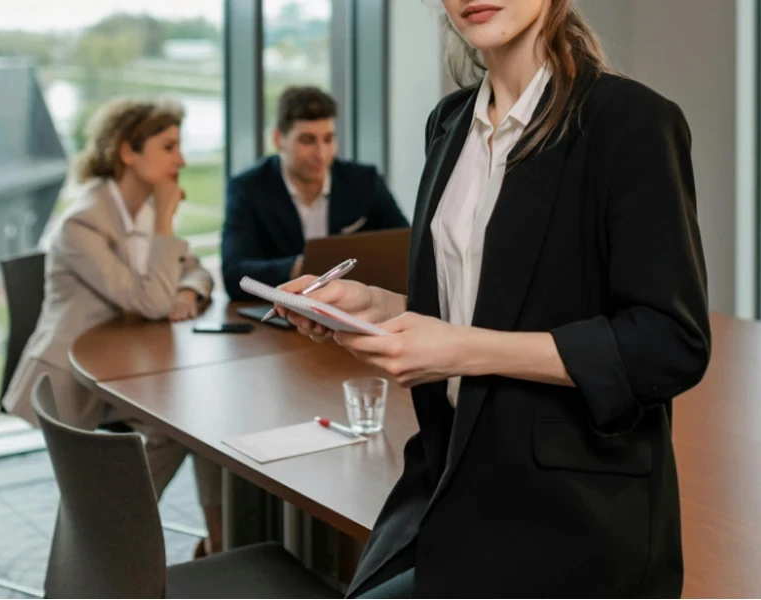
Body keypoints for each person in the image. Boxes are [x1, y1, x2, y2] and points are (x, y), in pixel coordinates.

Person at [276, 0, 712, 597]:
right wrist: (374, 305)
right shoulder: (450, 123)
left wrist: (461, 351)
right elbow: (486, 303)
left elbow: (669, 344)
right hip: (450, 485)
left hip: (570, 522)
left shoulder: (632, 121)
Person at [2, 97, 224, 558]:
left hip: (131, 367)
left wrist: (188, 292)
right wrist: (166, 221)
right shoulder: (82, 224)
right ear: (128, 152)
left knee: (202, 424)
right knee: (182, 427)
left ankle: (219, 541)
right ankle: (107, 530)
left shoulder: (141, 211)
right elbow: (148, 299)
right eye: (169, 147)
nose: (181, 161)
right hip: (71, 379)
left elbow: (196, 269)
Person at [220, 86, 409, 299]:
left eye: (328, 139)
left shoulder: (365, 181)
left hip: (351, 307)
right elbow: (234, 274)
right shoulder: (248, 188)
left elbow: (406, 249)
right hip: (283, 314)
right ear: (278, 139)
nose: (321, 154)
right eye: (308, 140)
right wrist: (301, 268)